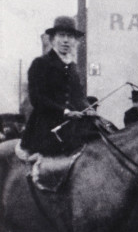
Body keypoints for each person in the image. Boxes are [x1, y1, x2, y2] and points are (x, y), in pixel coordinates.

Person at [21, 16, 101, 156]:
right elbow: (37, 98)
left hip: (72, 125)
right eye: (61, 35)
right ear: (52, 39)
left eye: (70, 36)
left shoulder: (73, 67)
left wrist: (87, 108)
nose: (65, 40)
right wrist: (65, 112)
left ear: (75, 41)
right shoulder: (40, 63)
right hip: (46, 127)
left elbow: (79, 96)